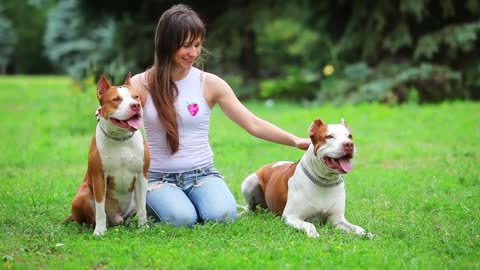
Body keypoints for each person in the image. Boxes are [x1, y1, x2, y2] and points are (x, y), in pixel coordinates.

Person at [128, 4, 310, 227]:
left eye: (197, 45)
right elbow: (115, 105)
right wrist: (107, 114)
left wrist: (295, 140)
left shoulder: (209, 83)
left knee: (222, 216)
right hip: (158, 178)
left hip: (202, 175)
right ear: (167, 44)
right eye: (186, 46)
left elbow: (252, 123)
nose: (194, 53)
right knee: (181, 219)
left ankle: (188, 201)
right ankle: (158, 201)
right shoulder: (140, 84)